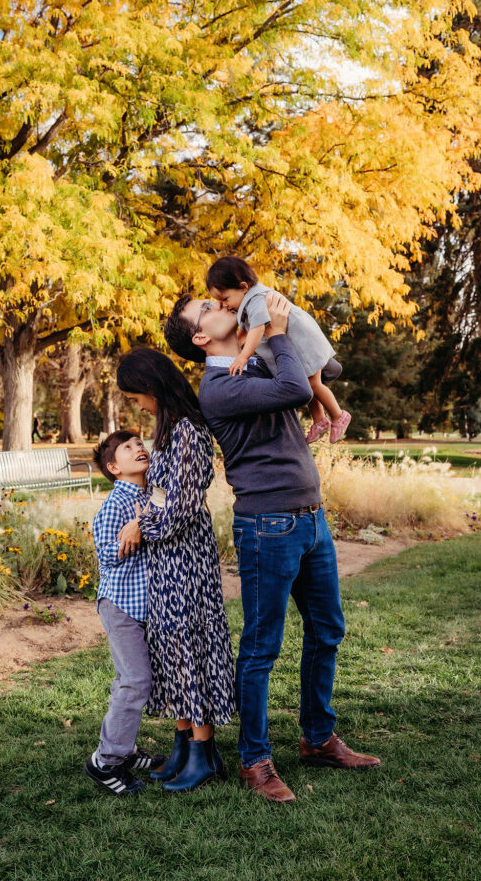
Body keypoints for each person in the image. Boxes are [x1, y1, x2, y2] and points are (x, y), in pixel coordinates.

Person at [164, 293, 380, 804]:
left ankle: (317, 738)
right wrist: (280, 331)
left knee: (328, 630)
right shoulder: (218, 388)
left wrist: (285, 339)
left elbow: (303, 381)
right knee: (262, 647)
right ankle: (255, 761)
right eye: (210, 306)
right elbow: (288, 388)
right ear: (201, 336)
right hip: (268, 525)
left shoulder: (253, 361)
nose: (224, 304)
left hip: (311, 517)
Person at [116, 348, 236, 793]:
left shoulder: (188, 431)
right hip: (167, 559)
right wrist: (145, 515)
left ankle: (203, 752)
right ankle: (185, 743)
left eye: (137, 395)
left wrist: (140, 524)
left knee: (189, 645)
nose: (138, 405)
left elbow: (179, 509)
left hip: (185, 556)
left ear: (153, 387)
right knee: (171, 648)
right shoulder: (167, 431)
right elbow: (161, 496)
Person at [84, 430, 165, 797]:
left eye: (139, 443)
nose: (139, 448)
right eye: (128, 448)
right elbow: (106, 554)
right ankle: (106, 761)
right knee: (136, 682)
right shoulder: (117, 504)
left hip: (142, 607)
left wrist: (147, 519)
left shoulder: (152, 493)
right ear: (115, 468)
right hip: (120, 606)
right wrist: (135, 530)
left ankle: (126, 748)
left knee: (125, 681)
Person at [207, 255, 351, 443]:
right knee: (307, 385)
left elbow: (258, 327)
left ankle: (339, 415)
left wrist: (243, 356)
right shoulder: (247, 302)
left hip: (303, 343)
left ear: (243, 287)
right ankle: (319, 420)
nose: (224, 305)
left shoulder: (256, 298)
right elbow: (246, 331)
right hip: (296, 343)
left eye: (225, 298)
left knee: (314, 384)